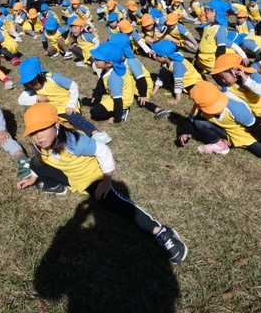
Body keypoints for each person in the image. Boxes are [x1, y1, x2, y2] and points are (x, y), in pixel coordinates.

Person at [17, 103, 188, 264]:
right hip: (71, 177)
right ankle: (57, 186)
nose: (38, 136)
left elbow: (103, 151)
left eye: (43, 128)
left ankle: (161, 232)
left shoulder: (73, 142)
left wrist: (106, 181)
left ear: (56, 125)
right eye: (33, 132)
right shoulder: (39, 145)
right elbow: (39, 161)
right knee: (34, 163)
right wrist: (32, 178)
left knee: (114, 202)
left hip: (91, 177)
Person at [17, 57, 111, 143]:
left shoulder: (53, 79)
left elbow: (73, 85)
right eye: (29, 84)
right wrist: (37, 97)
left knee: (76, 119)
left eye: (34, 82)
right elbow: (21, 100)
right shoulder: (31, 88)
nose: (33, 86)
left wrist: (71, 105)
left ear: (40, 74)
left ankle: (95, 133)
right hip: (52, 110)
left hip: (66, 105)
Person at [81, 43, 133, 124]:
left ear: (109, 63)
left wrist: (117, 119)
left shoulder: (114, 77)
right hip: (110, 95)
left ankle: (123, 111)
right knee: (86, 101)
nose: (95, 60)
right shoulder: (107, 69)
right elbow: (101, 82)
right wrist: (95, 95)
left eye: (98, 59)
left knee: (95, 112)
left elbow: (118, 100)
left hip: (122, 100)